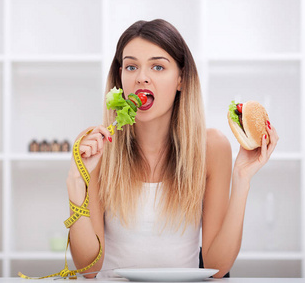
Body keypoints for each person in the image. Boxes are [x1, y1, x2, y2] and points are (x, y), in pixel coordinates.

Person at [66, 19, 279, 279]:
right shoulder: (98, 147)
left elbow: (217, 267)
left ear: (181, 79)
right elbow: (89, 269)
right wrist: (78, 182)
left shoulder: (211, 147)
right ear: (120, 79)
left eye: (157, 66)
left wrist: (242, 180)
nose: (142, 77)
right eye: (131, 66)